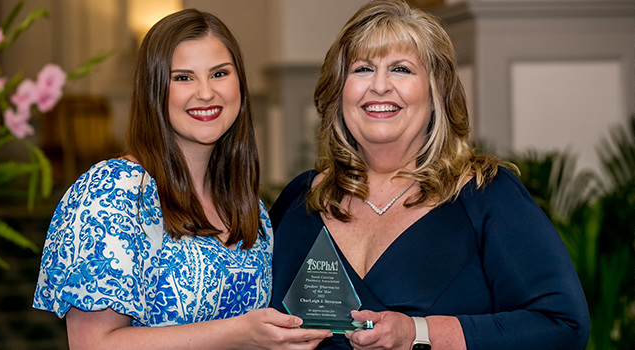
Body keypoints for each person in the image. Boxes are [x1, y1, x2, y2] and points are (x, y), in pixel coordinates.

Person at [268, 1, 590, 349]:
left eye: (401, 69)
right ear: (338, 90)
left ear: (437, 92)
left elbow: (562, 324)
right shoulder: (300, 200)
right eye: (362, 69)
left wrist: (419, 333)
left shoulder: (487, 196)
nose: (379, 86)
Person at [33, 9, 332, 349]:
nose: (206, 93)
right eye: (183, 78)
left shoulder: (251, 210)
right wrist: (240, 334)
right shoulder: (113, 191)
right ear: (154, 91)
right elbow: (94, 345)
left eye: (219, 73)